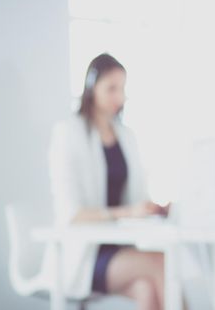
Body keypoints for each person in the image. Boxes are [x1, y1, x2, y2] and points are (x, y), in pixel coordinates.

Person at [49, 53, 169, 310]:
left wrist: (152, 208)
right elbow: (71, 213)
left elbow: (135, 197)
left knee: (146, 288)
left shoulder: (126, 135)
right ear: (91, 88)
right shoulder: (68, 133)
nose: (120, 97)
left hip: (120, 247)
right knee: (163, 264)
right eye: (111, 88)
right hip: (85, 255)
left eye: (122, 89)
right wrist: (126, 212)